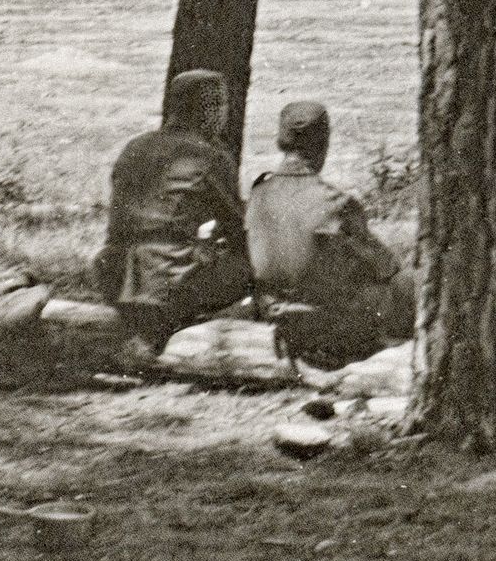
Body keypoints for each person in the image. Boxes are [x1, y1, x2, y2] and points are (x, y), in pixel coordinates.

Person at [92, 70, 251, 354]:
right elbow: (240, 232)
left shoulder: (135, 147)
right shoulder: (210, 157)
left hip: (113, 278)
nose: (226, 113)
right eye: (223, 104)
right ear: (210, 110)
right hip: (168, 286)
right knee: (251, 264)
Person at [246, 101, 401, 371]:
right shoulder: (337, 204)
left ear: (281, 141)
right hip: (328, 326)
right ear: (323, 144)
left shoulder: (257, 195)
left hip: (272, 316)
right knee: (398, 283)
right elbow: (385, 266)